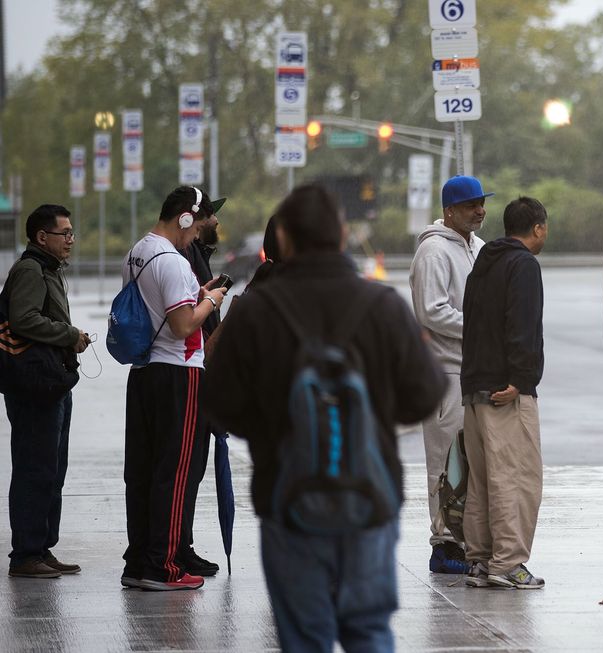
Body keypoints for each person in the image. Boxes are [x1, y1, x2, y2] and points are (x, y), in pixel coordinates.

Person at [201, 184, 446, 651]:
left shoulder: (255, 312)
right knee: (369, 630)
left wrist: (278, 427)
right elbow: (424, 397)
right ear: (341, 237)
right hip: (368, 498)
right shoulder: (383, 306)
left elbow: (218, 405)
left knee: (305, 637)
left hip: (287, 498)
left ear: (285, 241)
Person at [120, 186, 227, 591]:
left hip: (144, 371)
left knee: (143, 471)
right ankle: (163, 566)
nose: (196, 235)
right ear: (185, 217)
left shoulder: (137, 252)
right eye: (196, 225)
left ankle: (139, 560)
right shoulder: (174, 261)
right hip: (179, 373)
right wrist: (212, 300)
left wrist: (197, 295)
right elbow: (183, 326)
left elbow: (154, 306)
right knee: (175, 471)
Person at [460, 196, 549, 590]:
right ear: (538, 228)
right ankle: (509, 562)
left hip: (475, 387)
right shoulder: (523, 264)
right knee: (516, 477)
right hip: (504, 390)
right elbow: (522, 324)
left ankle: (480, 560)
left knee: (481, 480)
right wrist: (521, 377)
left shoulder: (485, 261)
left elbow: (472, 322)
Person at [409, 175, 491, 574]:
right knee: (444, 463)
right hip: (444, 373)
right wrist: (481, 326)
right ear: (449, 211)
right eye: (471, 205)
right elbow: (432, 310)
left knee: (471, 460)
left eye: (481, 203)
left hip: (473, 370)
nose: (480, 210)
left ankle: (468, 539)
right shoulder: (434, 252)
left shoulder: (476, 247)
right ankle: (443, 545)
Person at [3, 204, 90, 578]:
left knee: (53, 469)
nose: (70, 239)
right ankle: (25, 554)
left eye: (71, 233)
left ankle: (41, 547)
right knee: (35, 468)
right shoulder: (30, 269)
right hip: (34, 386)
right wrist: (70, 335)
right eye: (64, 233)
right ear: (42, 237)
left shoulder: (49, 269)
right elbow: (23, 319)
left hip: (52, 382)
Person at [176, 194, 226, 578]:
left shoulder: (198, 252)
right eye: (211, 217)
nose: (215, 223)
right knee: (185, 466)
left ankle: (181, 544)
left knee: (193, 466)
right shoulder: (186, 254)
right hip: (190, 366)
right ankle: (175, 547)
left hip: (201, 365)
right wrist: (213, 301)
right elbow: (189, 318)